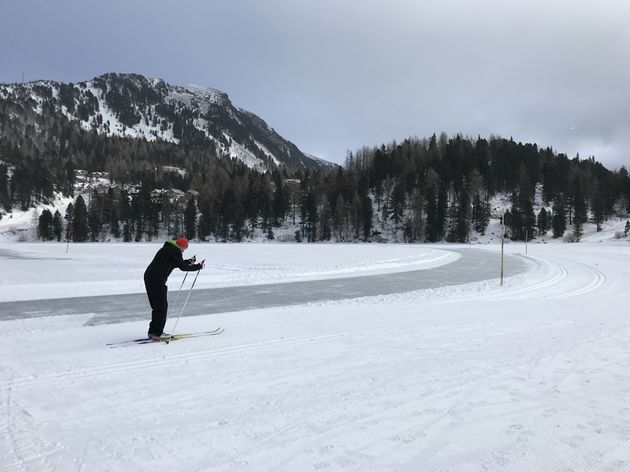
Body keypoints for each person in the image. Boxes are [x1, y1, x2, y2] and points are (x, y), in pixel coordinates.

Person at [144, 237, 204, 340]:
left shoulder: (168, 248)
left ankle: (154, 331)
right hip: (157, 280)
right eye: (184, 249)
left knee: (158, 306)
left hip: (151, 277)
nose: (183, 251)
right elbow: (182, 267)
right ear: (180, 246)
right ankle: (156, 333)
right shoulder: (175, 251)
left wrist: (190, 261)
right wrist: (198, 267)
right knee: (161, 307)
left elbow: (176, 263)